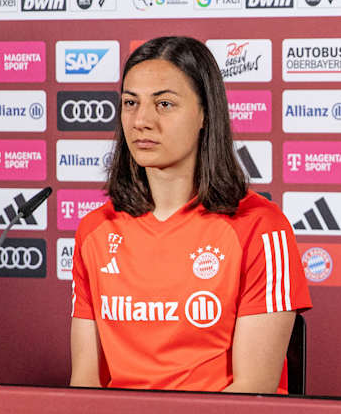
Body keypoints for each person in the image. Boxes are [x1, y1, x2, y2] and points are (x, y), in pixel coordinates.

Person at [70, 36, 310, 392]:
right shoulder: (94, 230)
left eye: (164, 104)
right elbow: (85, 383)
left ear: (204, 114)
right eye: (130, 103)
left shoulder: (261, 227)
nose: (142, 120)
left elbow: (254, 388)